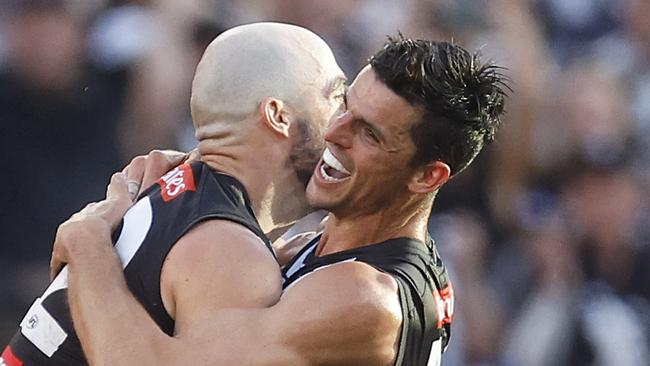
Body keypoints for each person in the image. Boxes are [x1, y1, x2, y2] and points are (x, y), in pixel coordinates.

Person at [38, 36, 507, 366]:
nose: (332, 132)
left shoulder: (364, 298)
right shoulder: (334, 246)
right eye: (345, 106)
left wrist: (87, 241)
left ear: (428, 176)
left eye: (367, 133)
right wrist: (190, 175)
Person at [1, 22, 346, 365]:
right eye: (334, 97)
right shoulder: (227, 250)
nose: (344, 121)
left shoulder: (175, 187)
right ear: (278, 116)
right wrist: (84, 242)